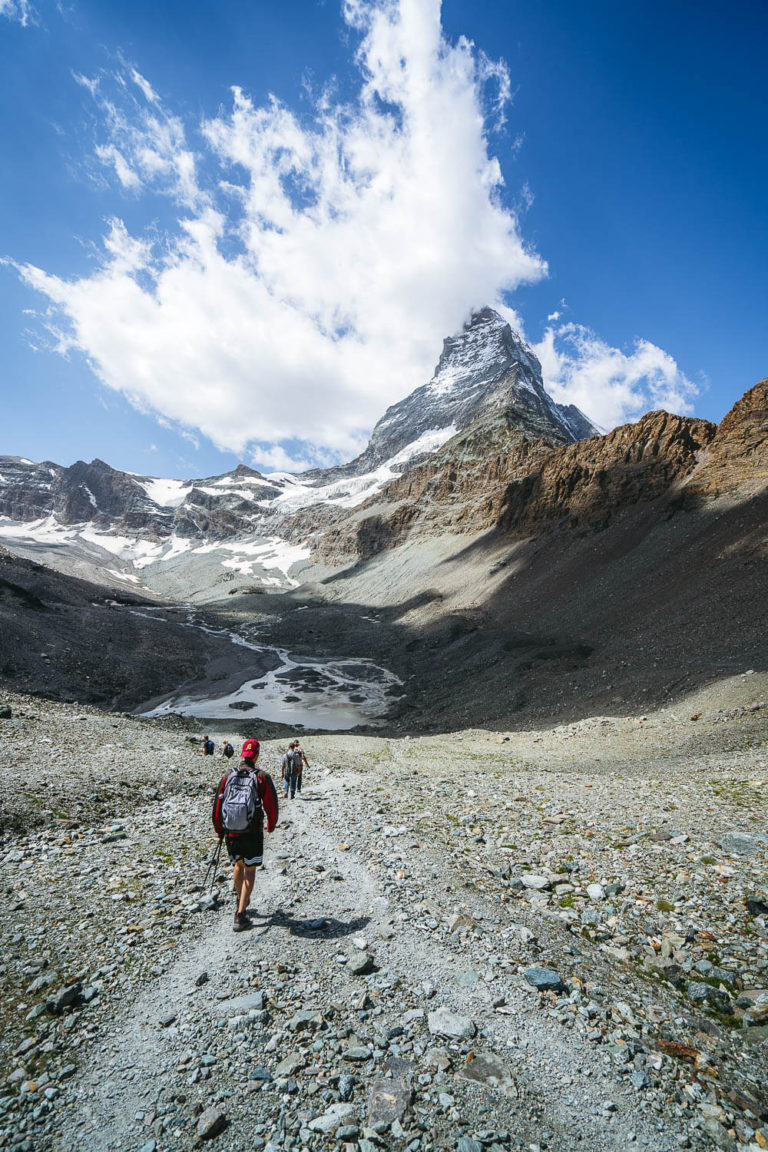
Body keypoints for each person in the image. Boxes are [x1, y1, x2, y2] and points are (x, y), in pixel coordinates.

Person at [215, 738, 279, 932]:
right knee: (250, 869)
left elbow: (217, 807)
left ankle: (239, 898)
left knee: (238, 865)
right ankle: (241, 915)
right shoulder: (261, 777)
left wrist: (219, 830)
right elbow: (271, 804)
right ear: (257, 755)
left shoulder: (228, 776)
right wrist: (271, 824)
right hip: (252, 831)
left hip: (232, 832)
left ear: (242, 753)